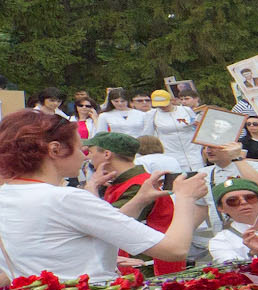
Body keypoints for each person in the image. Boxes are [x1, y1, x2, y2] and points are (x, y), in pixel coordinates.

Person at [0, 109, 207, 278]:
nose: (84, 157)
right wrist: (186, 198)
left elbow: (99, 224)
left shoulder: (7, 195)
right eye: (80, 148)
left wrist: (140, 199)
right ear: (55, 150)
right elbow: (174, 250)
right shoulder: (65, 198)